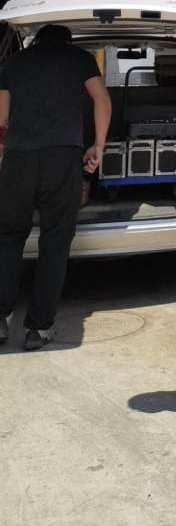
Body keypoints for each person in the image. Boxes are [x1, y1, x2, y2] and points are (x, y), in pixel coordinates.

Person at [0, 24, 111, 350]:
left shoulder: (14, 62)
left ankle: (1, 318)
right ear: (67, 40)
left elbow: (1, 117)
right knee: (55, 241)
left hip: (19, 159)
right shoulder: (80, 58)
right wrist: (98, 145)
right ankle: (39, 327)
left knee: (8, 237)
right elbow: (102, 99)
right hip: (62, 159)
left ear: (37, 40)